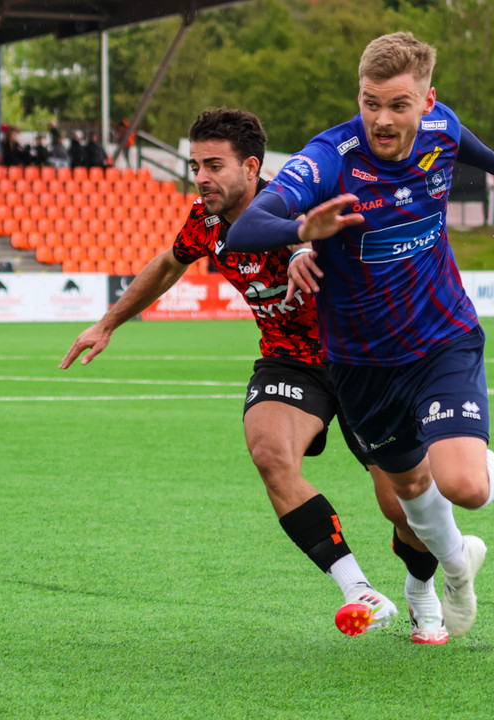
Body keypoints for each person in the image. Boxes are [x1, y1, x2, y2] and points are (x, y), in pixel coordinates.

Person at [61, 107, 453, 643]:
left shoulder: (298, 199)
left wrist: (301, 251)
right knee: (270, 452)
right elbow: (169, 264)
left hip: (359, 359)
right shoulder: (205, 221)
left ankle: (421, 589)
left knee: (403, 508)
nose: (201, 177)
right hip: (288, 360)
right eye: (195, 165)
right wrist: (108, 323)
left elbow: (305, 237)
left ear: (251, 167)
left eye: (214, 165)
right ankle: (359, 589)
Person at [226, 32, 494, 638]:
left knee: (463, 483)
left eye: (398, 105)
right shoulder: (329, 157)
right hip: (360, 363)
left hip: (442, 337)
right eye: (369, 102)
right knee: (405, 489)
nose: (381, 119)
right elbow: (246, 228)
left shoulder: (441, 126)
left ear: (426, 102)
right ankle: (455, 570)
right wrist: (302, 228)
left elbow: (457, 135)